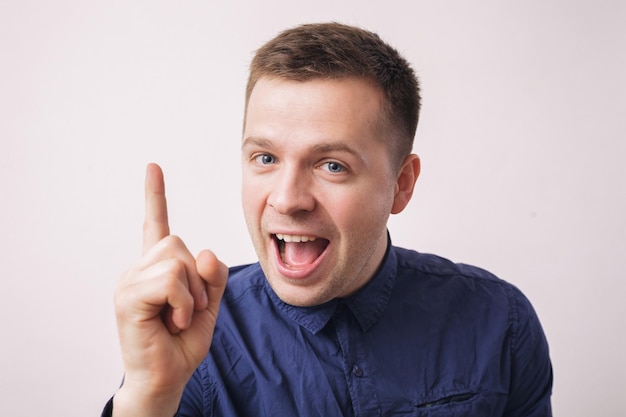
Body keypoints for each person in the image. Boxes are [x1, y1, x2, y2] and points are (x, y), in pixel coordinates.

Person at [103, 22, 553, 417]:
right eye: (265, 157)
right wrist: (147, 398)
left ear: (401, 184)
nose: (287, 198)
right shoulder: (196, 338)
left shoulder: (500, 322)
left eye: (332, 165)